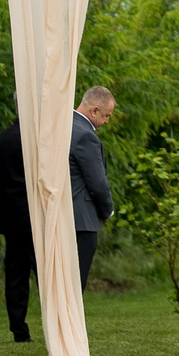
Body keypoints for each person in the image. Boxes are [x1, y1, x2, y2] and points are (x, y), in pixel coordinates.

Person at [68, 87, 116, 289]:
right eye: (106, 115)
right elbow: (97, 183)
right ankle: (71, 321)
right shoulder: (85, 136)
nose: (107, 121)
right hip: (82, 220)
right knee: (75, 283)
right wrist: (107, 211)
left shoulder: (62, 125)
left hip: (61, 214)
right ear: (94, 110)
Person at [0, 119, 36, 342]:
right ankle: (56, 328)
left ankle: (19, 329)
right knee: (45, 275)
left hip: (11, 215)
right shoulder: (35, 138)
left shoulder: (4, 137)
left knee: (15, 275)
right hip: (34, 216)